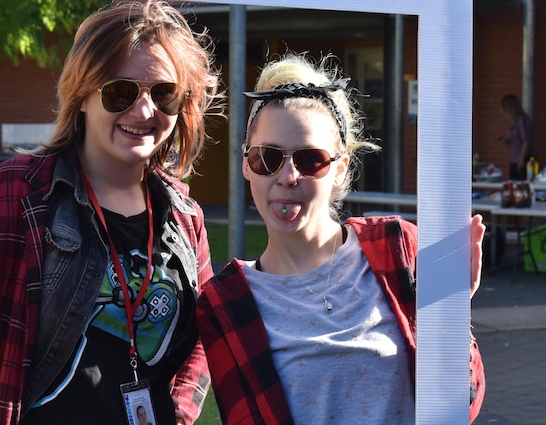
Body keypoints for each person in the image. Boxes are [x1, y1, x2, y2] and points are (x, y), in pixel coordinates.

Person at [0, 0, 222, 425]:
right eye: (120, 92)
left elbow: (201, 340)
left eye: (164, 94)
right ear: (82, 94)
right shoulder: (14, 192)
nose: (144, 112)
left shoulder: (186, 215)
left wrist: (177, 413)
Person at [196, 53, 486, 424]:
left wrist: (452, 316)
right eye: (268, 158)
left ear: (339, 169)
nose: (287, 177)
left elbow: (461, 405)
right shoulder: (225, 303)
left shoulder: (398, 248)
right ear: (246, 165)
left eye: (310, 160)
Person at [499, 94, 534, 181]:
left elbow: (526, 140)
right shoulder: (512, 123)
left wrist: (521, 160)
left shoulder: (521, 121)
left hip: (523, 159)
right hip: (514, 159)